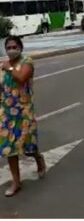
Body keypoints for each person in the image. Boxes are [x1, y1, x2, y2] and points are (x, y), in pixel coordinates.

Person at [0, 36, 45, 197]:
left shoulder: (27, 62)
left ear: (20, 47)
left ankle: (38, 158)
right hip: (7, 114)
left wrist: (10, 69)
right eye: (8, 47)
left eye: (14, 46)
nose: (11, 50)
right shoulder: (4, 66)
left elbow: (21, 78)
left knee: (28, 147)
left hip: (24, 112)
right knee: (9, 148)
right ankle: (16, 182)